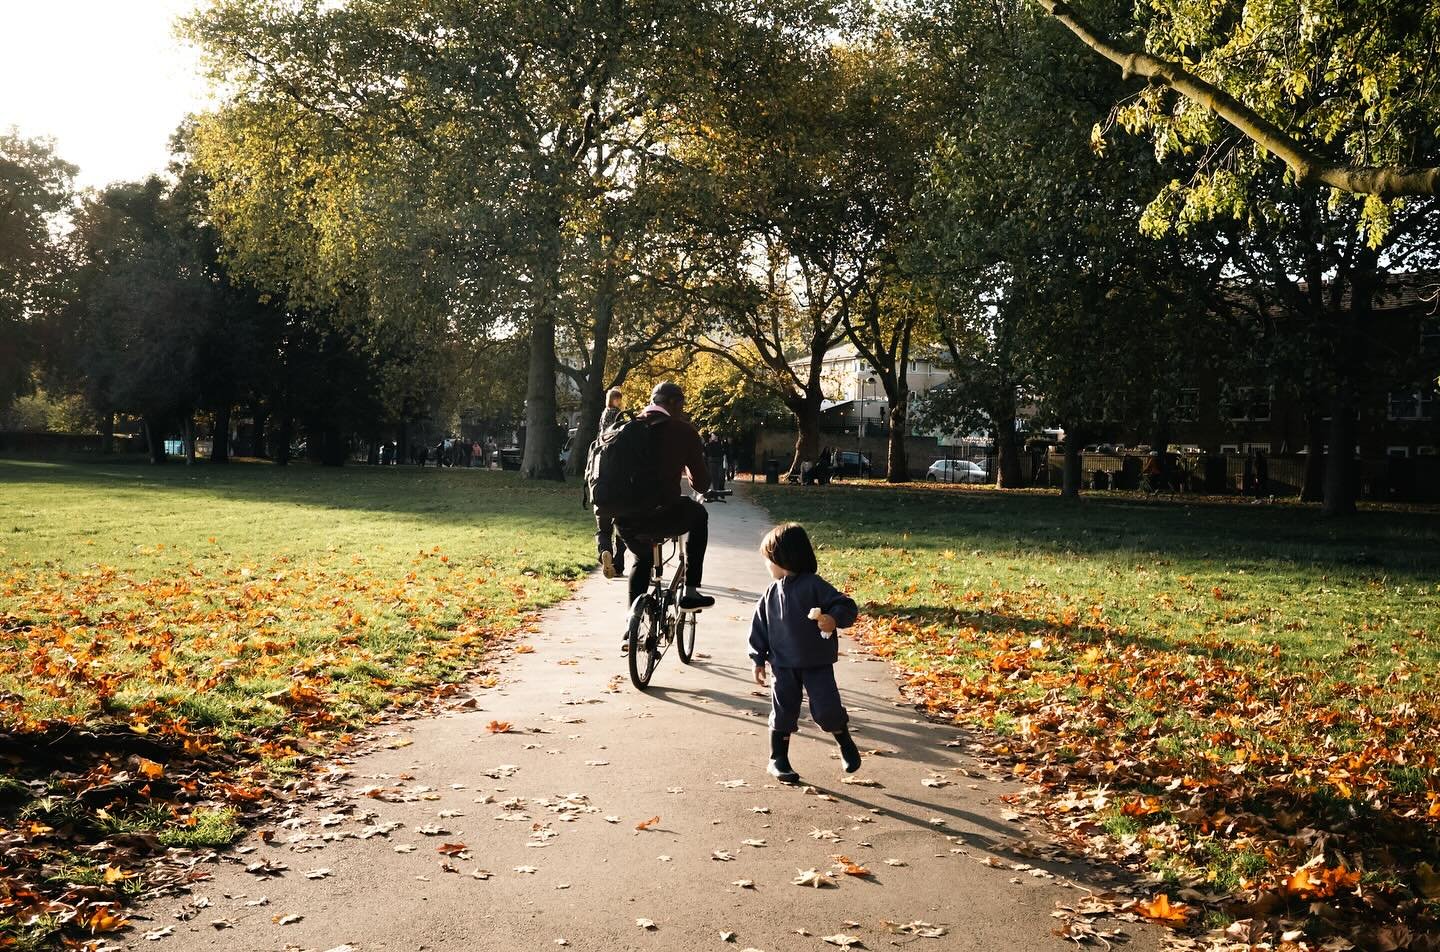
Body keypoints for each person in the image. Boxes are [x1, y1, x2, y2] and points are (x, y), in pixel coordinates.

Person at [749, 523, 861, 783]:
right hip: (782, 664)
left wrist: (833, 619)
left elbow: (846, 605)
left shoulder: (814, 585)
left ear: (782, 558)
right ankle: (778, 758)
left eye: (768, 559)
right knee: (783, 711)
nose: (767, 565)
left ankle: (843, 740)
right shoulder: (770, 593)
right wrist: (757, 658)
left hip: (816, 662)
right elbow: (759, 627)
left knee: (827, 710)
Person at [615, 382, 715, 613]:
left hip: (625, 520)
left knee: (642, 558)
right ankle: (690, 591)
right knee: (699, 515)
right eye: (682, 404)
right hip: (661, 516)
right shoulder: (683, 431)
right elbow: (701, 484)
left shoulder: (626, 428)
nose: (683, 410)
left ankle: (632, 622)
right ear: (673, 403)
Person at [596, 388, 629, 579]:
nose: (619, 401)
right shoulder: (617, 415)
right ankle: (618, 564)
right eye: (618, 399)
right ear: (613, 399)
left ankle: (604, 551)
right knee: (621, 526)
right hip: (619, 471)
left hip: (603, 476)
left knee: (603, 528)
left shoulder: (603, 414)